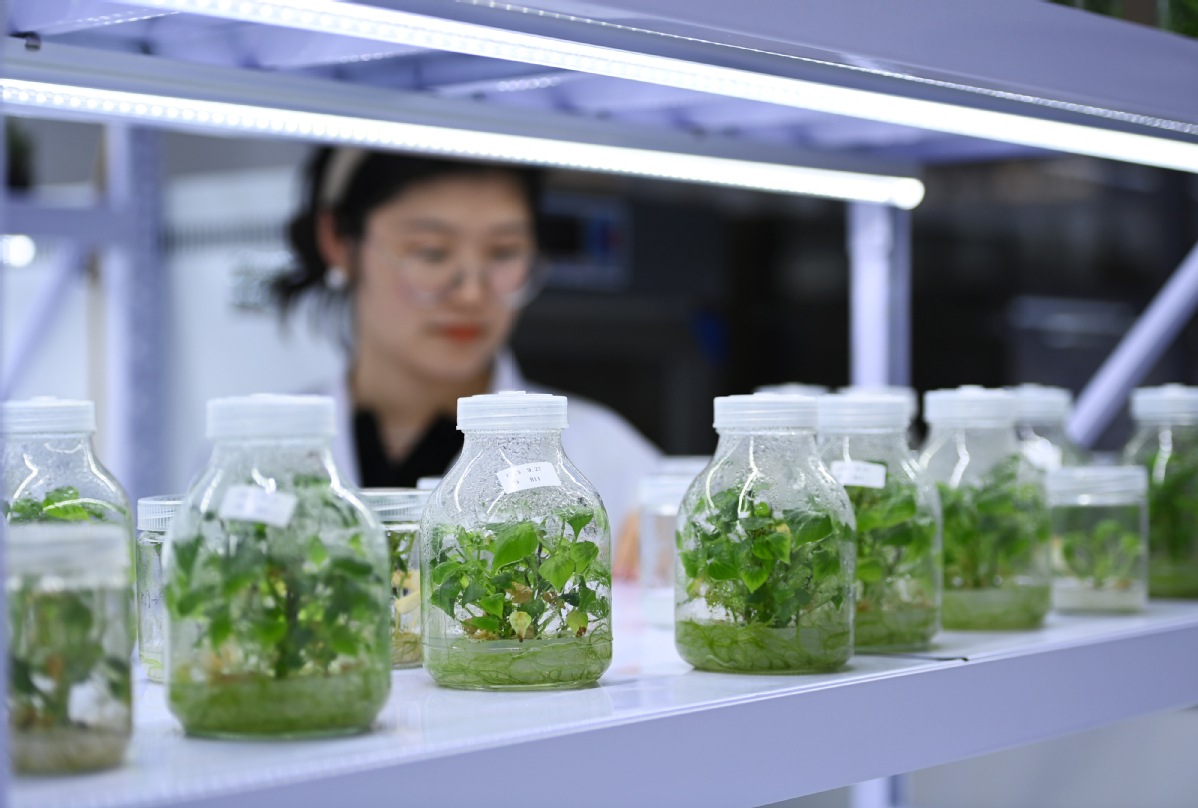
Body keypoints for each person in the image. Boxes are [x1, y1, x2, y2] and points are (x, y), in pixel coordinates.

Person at [276, 147, 660, 540]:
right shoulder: (266, 455)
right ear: (338, 241)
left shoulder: (608, 460)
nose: (471, 294)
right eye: (432, 252)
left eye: (504, 252)